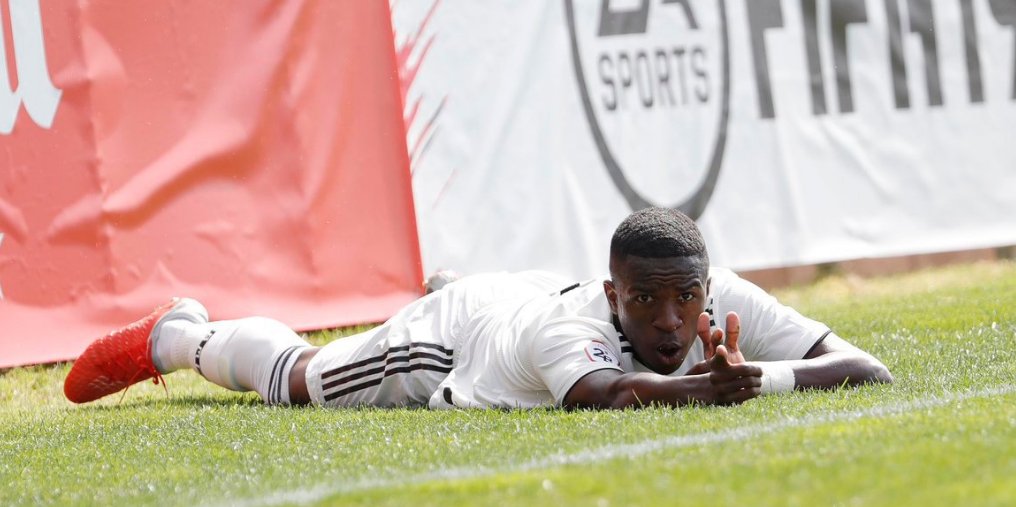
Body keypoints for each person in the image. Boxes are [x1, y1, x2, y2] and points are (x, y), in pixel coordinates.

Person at [64, 208, 892, 409]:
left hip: (514, 303)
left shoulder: (728, 302)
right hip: (456, 345)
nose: (671, 322)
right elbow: (605, 397)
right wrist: (716, 389)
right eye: (646, 302)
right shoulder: (573, 329)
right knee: (299, 380)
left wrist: (761, 376)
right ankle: (181, 334)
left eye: (685, 300)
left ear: (708, 292)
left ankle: (460, 280)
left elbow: (866, 368)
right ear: (615, 296)